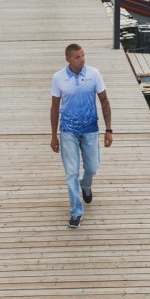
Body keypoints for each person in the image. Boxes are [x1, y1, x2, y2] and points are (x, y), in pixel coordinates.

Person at [50, 43, 112, 228]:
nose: (82, 59)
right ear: (68, 59)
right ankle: (76, 211)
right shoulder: (58, 78)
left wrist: (109, 129)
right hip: (68, 131)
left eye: (83, 55)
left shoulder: (94, 74)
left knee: (92, 167)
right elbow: (54, 107)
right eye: (77, 57)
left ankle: (86, 185)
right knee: (71, 173)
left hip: (90, 129)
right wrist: (54, 135)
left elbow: (104, 101)